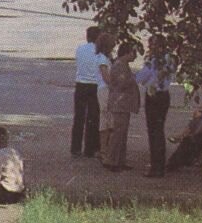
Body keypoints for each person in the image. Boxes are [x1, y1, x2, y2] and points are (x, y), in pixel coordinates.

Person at [136, 38, 177, 178]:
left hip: (154, 95)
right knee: (159, 129)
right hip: (164, 95)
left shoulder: (153, 61)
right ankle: (159, 164)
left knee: (154, 131)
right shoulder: (170, 60)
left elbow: (141, 78)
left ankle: (156, 166)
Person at [101, 41, 140, 171]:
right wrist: (135, 78)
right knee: (118, 132)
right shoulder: (119, 66)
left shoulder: (123, 65)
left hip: (124, 104)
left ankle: (120, 160)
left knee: (122, 133)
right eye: (133, 52)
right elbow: (121, 83)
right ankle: (111, 160)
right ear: (126, 53)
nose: (135, 56)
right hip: (119, 103)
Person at [71, 26, 108, 157]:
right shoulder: (100, 53)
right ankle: (90, 148)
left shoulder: (80, 49)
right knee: (93, 117)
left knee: (79, 117)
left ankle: (75, 147)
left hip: (81, 83)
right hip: (94, 84)